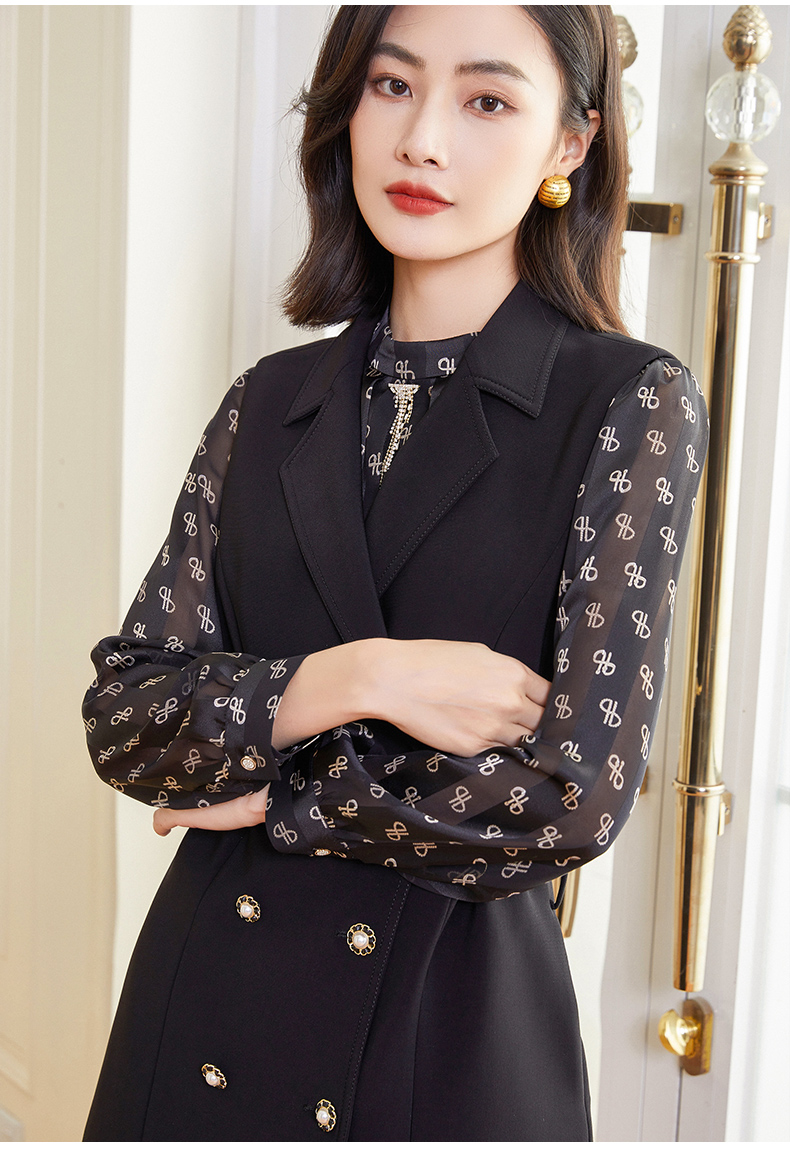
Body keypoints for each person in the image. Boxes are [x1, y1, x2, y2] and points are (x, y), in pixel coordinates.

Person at [82, 4, 708, 1142]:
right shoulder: (268, 401)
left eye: (486, 100)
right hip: (209, 1003)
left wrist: (277, 795)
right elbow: (127, 717)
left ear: (570, 142)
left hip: (447, 1033)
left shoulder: (628, 403)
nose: (423, 139)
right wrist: (359, 676)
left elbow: (568, 799)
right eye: (391, 85)